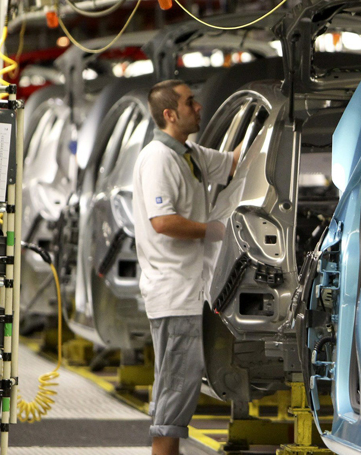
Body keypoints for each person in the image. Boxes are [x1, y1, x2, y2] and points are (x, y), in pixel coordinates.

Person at [132, 79, 240, 455]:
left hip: (190, 289)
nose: (198, 107)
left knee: (177, 387)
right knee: (177, 389)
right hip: (174, 291)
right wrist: (215, 232)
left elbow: (233, 162)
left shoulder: (188, 153)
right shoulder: (158, 158)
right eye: (190, 102)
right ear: (169, 114)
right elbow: (163, 222)